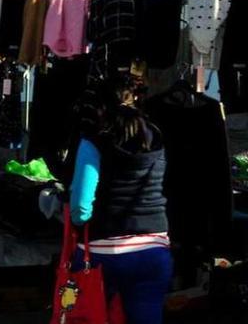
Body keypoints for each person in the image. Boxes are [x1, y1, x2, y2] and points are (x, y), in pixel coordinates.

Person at [68, 76, 173, 324]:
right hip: (153, 251)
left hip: (102, 254)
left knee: (87, 316)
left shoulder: (94, 140)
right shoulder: (156, 137)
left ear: (101, 106)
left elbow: (81, 208)